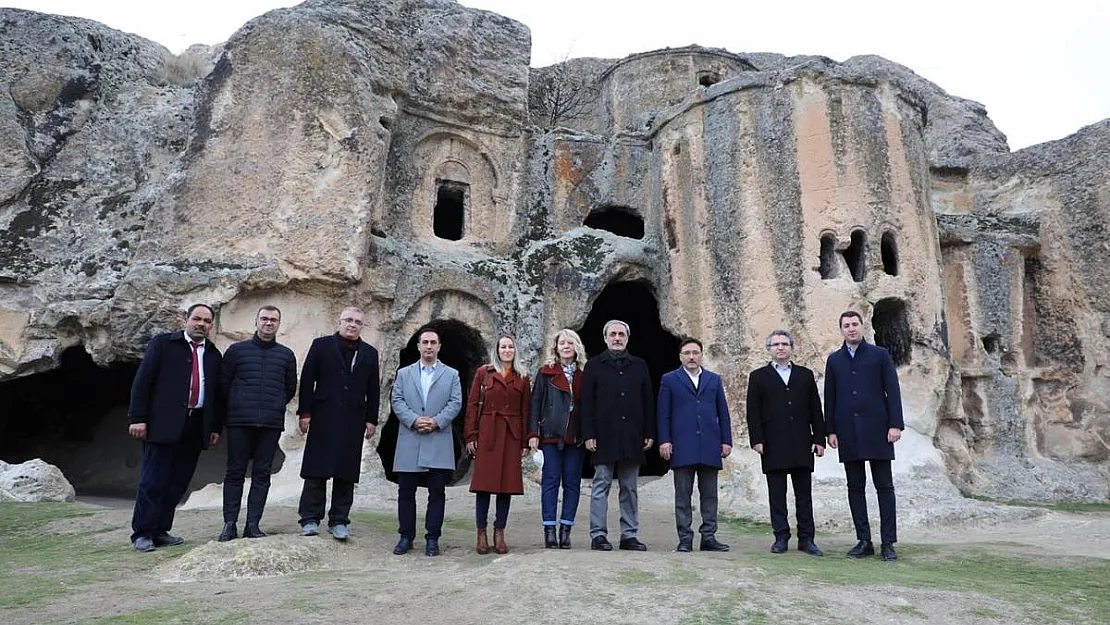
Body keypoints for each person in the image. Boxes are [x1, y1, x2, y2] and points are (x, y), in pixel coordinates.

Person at [127, 304, 224, 552]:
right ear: (186, 320)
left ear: (211, 326)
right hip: (162, 424)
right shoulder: (163, 345)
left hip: (195, 425)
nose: (201, 324)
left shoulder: (213, 354)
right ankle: (143, 532)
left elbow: (216, 395)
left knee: (177, 482)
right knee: (153, 480)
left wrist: (214, 427)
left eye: (206, 321)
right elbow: (143, 382)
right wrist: (137, 418)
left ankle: (160, 530)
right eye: (197, 319)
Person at [824, 310, 904, 561]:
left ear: (862, 326)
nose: (851, 329)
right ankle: (864, 540)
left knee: (884, 487)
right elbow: (830, 397)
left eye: (854, 324)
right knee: (855, 488)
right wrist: (831, 430)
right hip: (848, 431)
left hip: (878, 430)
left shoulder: (879, 355)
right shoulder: (834, 360)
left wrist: (895, 425)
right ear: (841, 330)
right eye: (846, 325)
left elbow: (893, 390)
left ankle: (888, 542)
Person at [296, 307, 380, 542]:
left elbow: (374, 389)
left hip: (353, 418)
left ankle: (339, 521)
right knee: (316, 470)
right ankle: (310, 519)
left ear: (362, 326)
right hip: (323, 415)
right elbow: (307, 380)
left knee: (346, 472)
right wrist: (305, 412)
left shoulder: (369, 353)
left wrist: (371, 419)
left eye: (358, 322)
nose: (352, 325)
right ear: (339, 321)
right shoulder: (321, 345)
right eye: (348, 320)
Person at [217, 305, 297, 541]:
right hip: (240, 421)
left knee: (262, 474)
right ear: (256, 321)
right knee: (235, 473)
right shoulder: (236, 351)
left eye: (273, 319)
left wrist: (275, 404)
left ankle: (253, 524)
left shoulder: (285, 355)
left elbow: (290, 387)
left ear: (278, 324)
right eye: (264, 318)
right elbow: (223, 383)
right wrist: (237, 403)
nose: (268, 323)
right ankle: (229, 524)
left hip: (270, 424)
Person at [746, 330, 827, 556]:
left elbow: (815, 409)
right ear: (769, 349)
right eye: (775, 344)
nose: (780, 348)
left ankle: (807, 539)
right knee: (777, 494)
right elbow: (753, 412)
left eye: (784, 344)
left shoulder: (804, 375)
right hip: (773, 443)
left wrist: (819, 438)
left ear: (791, 347)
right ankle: (780, 536)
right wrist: (757, 440)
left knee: (804, 495)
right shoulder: (758, 376)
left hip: (802, 442)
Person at [581, 319, 655, 552]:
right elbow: (587, 404)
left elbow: (648, 401)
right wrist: (589, 433)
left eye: (621, 334)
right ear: (605, 338)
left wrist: (649, 432)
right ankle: (598, 534)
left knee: (630, 487)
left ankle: (629, 534)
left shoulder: (639, 365)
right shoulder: (594, 365)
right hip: (603, 436)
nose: (616, 338)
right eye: (612, 334)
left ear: (627, 338)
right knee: (601, 484)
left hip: (632, 435)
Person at [390, 326, 463, 556]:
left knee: (437, 493)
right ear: (418, 346)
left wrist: (436, 421)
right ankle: (405, 536)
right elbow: (397, 400)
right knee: (406, 491)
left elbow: (455, 402)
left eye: (433, 342)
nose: (429, 346)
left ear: (439, 346)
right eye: (425, 342)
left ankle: (433, 538)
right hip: (410, 437)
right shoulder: (404, 373)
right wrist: (414, 420)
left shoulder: (451, 374)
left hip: (438, 438)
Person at [657, 337, 733, 553]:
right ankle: (684, 538)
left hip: (710, 443)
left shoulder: (714, 380)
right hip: (682, 444)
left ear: (701, 355)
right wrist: (665, 440)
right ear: (680, 357)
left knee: (709, 495)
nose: (691, 357)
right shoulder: (669, 380)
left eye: (695, 352)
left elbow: (723, 413)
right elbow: (663, 414)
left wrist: (726, 440)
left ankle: (709, 536)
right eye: (687, 353)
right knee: (683, 495)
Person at [463, 334, 531, 554]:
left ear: (515, 350)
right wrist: (471, 435)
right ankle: (481, 532)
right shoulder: (484, 373)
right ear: (497, 350)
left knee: (506, 487)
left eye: (511, 346)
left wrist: (524, 441)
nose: (507, 350)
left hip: (511, 435)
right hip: (487, 433)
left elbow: (525, 412)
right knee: (484, 485)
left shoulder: (522, 377)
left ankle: (499, 531)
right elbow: (473, 405)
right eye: (503, 346)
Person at [528, 328, 587, 549]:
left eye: (570, 343)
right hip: (551, 436)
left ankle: (566, 530)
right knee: (550, 483)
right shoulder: (546, 373)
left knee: (572, 484)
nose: (566, 346)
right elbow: (535, 404)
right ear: (555, 347)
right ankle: (549, 530)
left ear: (576, 347)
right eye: (562, 342)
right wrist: (533, 434)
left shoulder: (584, 374)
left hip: (575, 437)